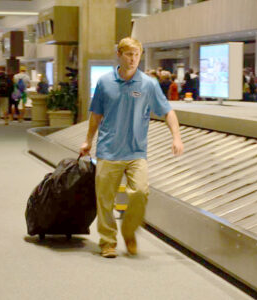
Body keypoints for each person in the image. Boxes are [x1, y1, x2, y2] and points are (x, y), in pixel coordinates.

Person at [79, 37, 184, 258]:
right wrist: (88, 140)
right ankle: (108, 241)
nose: (133, 59)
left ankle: (128, 229)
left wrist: (176, 136)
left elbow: (167, 111)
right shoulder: (105, 82)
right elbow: (96, 114)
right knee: (105, 201)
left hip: (137, 152)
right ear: (119, 55)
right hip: (108, 151)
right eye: (129, 54)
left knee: (140, 192)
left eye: (137, 54)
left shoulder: (148, 84)